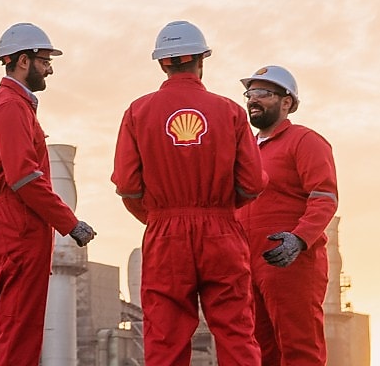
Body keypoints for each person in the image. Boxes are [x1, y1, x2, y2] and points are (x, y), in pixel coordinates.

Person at [111, 20, 265, 366]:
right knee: (236, 332)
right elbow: (253, 183)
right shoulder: (230, 111)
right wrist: (224, 207)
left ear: (162, 64)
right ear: (201, 60)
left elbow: (127, 185)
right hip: (221, 231)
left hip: (165, 234)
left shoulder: (138, 112)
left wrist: (156, 216)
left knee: (165, 337)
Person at [0, 22, 96, 366]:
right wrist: (69, 223)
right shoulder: (10, 107)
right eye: (44, 61)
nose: (49, 70)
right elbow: (24, 177)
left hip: (14, 225)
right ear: (23, 61)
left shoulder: (10, 105)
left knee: (7, 331)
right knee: (18, 334)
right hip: (18, 226)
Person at [236, 65, 338, 366]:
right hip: (248, 262)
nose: (253, 100)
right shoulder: (244, 151)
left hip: (291, 260)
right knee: (259, 351)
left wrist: (299, 238)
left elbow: (324, 197)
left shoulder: (305, 141)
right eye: (250, 94)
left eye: (263, 93)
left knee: (299, 347)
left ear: (287, 102)